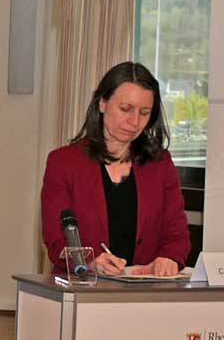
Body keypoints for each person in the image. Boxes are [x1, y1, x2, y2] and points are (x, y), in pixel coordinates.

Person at [40, 61, 190, 277]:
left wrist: (169, 258)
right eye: (125, 109)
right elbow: (57, 242)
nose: (134, 121)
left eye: (145, 113)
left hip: (146, 291)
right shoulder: (63, 162)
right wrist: (91, 263)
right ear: (102, 103)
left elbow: (177, 233)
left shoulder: (160, 163)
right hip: (85, 291)